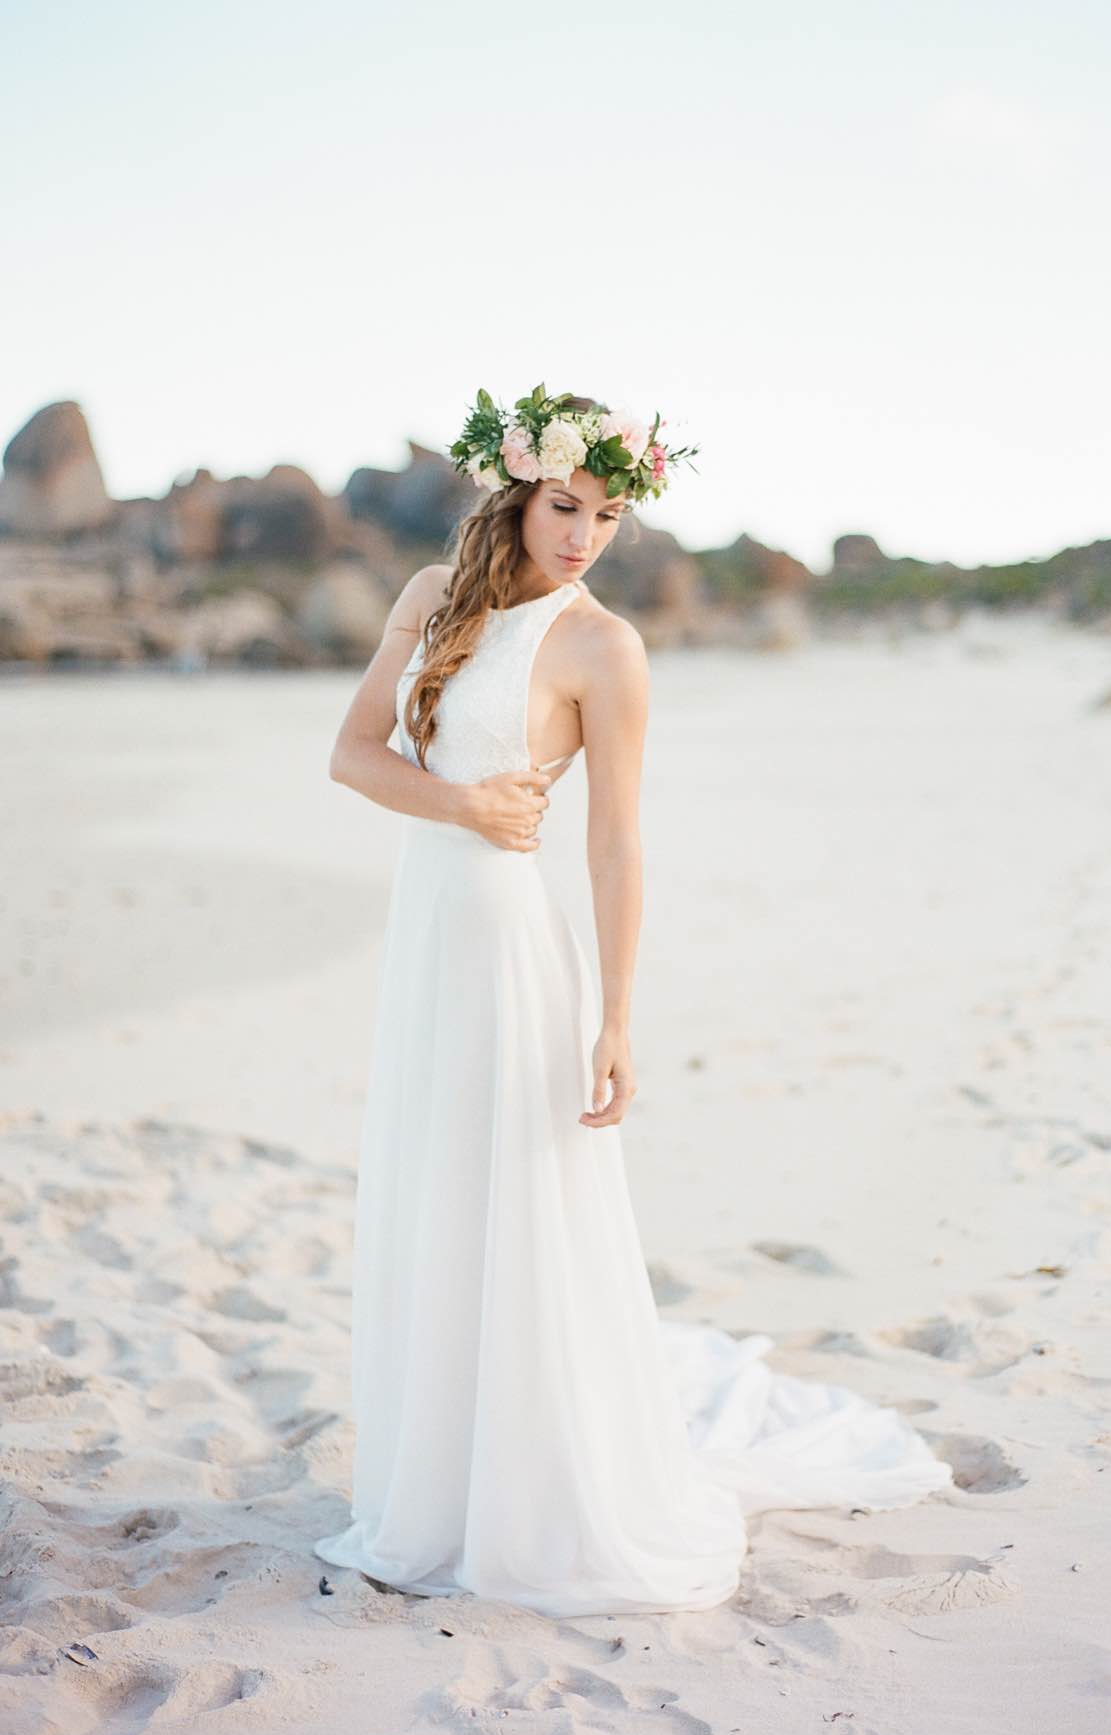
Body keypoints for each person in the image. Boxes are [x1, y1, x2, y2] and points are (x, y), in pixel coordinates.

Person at [312, 384, 954, 1618]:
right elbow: (351, 755)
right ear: (517, 490)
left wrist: (615, 1017)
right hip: (427, 935)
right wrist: (461, 802)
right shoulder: (427, 599)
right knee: (432, 1193)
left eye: (607, 514)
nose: (582, 535)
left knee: (512, 1204)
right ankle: (431, 1483)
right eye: (565, 504)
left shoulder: (605, 644)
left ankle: (526, 1492)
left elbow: (615, 844)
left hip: (511, 946)